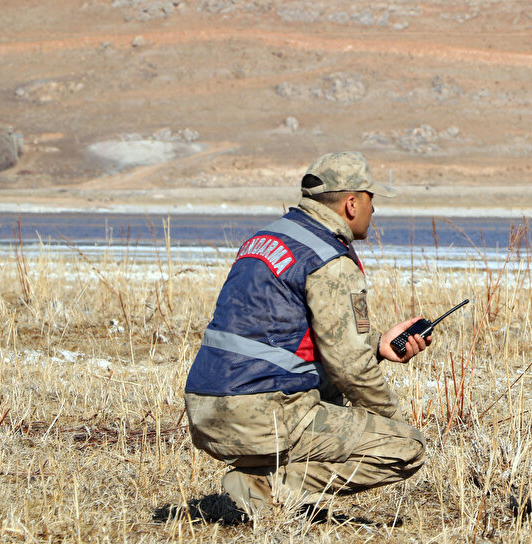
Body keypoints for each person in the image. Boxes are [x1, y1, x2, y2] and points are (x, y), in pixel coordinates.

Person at [184, 151, 430, 519]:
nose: (373, 210)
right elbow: (351, 369)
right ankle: (269, 486)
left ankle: (258, 474)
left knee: (332, 393)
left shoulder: (265, 240)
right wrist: (391, 422)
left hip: (204, 408)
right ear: (351, 204)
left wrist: (377, 345)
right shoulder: (329, 259)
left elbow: (281, 337)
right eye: (371, 199)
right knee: (407, 448)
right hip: (260, 412)